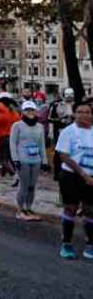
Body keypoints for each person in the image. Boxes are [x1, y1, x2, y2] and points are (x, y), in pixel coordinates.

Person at [55, 101, 93, 259]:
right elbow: (64, 156)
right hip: (71, 176)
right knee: (70, 208)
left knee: (90, 210)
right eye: (79, 112)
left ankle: (90, 244)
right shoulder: (69, 132)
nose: (83, 115)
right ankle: (66, 243)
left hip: (90, 178)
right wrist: (83, 175)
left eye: (87, 112)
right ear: (75, 114)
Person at [9, 101, 45, 221]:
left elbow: (41, 144)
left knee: (32, 186)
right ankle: (20, 209)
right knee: (23, 185)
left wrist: (44, 161)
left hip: (36, 160)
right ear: (23, 112)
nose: (30, 112)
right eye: (27, 110)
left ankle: (28, 207)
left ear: (36, 111)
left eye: (32, 110)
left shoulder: (40, 126)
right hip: (22, 159)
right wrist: (15, 159)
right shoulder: (17, 125)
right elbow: (13, 143)